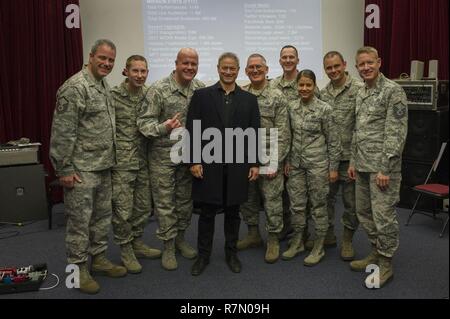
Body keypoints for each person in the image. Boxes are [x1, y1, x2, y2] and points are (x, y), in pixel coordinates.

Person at [50, 39, 127, 294]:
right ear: (91, 56)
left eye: (111, 60)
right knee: (79, 222)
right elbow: (63, 132)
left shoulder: (103, 85)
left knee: (101, 219)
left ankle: (100, 259)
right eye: (102, 58)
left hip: (103, 166)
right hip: (81, 169)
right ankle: (78, 269)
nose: (107, 63)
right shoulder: (75, 87)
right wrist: (64, 169)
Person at [186, 52, 260, 276]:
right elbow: (192, 130)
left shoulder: (249, 99)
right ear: (218, 68)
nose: (228, 72)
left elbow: (254, 134)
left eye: (232, 68)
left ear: (238, 71)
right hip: (209, 163)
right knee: (207, 212)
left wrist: (255, 163)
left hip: (237, 165)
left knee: (233, 212)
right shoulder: (202, 96)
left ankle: (231, 253)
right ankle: (203, 256)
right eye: (224, 68)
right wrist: (193, 160)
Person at [137, 48, 205, 271]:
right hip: (162, 157)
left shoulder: (200, 89)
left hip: (188, 157)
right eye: (185, 63)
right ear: (176, 63)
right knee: (165, 204)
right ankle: (168, 246)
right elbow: (143, 124)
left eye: (193, 64)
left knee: (185, 202)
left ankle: (180, 239)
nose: (189, 68)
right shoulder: (158, 90)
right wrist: (164, 127)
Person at [348, 46, 408, 287]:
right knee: (363, 213)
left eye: (369, 63)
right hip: (362, 165)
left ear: (379, 62)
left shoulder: (393, 91)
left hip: (382, 169)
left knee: (384, 218)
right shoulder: (361, 92)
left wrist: (386, 168)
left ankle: (385, 263)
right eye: (361, 64)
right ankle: (375, 250)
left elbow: (396, 132)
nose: (365, 67)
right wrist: (353, 160)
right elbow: (358, 129)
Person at [283, 70, 341, 266]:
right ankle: (298, 241)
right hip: (296, 165)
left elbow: (334, 141)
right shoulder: (291, 107)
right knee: (297, 205)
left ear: (315, 86)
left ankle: (318, 245)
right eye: (301, 85)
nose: (304, 89)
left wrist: (333, 168)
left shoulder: (325, 109)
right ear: (297, 86)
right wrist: (287, 161)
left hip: (318, 165)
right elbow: (288, 137)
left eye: (308, 85)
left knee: (318, 205)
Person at [110, 55, 162, 274]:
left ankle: (138, 242)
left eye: (143, 71)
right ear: (126, 72)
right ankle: (125, 250)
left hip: (143, 159)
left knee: (142, 207)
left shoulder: (150, 94)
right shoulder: (112, 96)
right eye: (135, 71)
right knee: (123, 210)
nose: (140, 75)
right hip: (121, 163)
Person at [237, 54, 291, 263]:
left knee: (272, 202)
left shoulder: (277, 96)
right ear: (246, 71)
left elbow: (284, 133)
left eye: (259, 66)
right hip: (246, 159)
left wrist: (276, 161)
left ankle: (273, 239)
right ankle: (253, 234)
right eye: (251, 67)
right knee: (248, 199)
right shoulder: (241, 94)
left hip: (270, 158)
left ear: (267, 69)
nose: (255, 70)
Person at [320, 51, 363, 260]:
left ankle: (347, 239)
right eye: (329, 68)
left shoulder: (359, 89)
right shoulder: (322, 93)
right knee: (325, 199)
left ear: (345, 64)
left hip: (350, 159)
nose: (333, 71)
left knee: (351, 203)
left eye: (337, 66)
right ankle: (327, 235)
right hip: (328, 159)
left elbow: (360, 128)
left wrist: (354, 161)